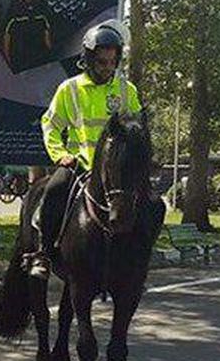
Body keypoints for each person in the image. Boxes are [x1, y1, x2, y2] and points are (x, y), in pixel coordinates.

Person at [28, 18, 141, 277]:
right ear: (89, 59)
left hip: (116, 170)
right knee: (53, 192)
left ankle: (138, 260)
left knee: (150, 204)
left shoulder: (127, 90)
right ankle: (43, 254)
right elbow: (51, 125)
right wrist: (60, 155)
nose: (108, 67)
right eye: (102, 62)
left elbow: (136, 131)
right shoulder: (70, 89)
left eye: (113, 62)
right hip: (79, 164)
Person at [0, 0, 54, 73]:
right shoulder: (15, 7)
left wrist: (50, 60)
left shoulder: (42, 6)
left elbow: (47, 34)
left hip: (39, 61)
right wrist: (7, 61)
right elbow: (7, 36)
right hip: (19, 61)